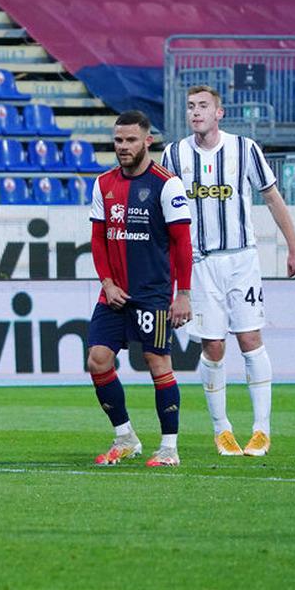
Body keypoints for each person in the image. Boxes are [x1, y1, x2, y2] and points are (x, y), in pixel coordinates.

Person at [162, 85, 295, 457]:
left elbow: (272, 196)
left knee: (250, 339)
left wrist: (293, 247)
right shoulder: (174, 154)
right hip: (199, 262)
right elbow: (166, 214)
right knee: (212, 345)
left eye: (203, 106)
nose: (196, 112)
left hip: (241, 259)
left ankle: (261, 431)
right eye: (191, 107)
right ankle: (222, 430)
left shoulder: (244, 149)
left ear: (219, 113)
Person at [87, 110, 193, 468]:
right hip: (113, 293)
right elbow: (98, 239)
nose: (123, 147)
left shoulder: (167, 184)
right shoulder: (103, 183)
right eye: (118, 140)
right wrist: (107, 282)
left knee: (156, 361)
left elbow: (182, 244)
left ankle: (169, 448)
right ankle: (125, 436)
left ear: (147, 141)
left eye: (131, 140)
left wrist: (183, 294)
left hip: (152, 292)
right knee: (97, 359)